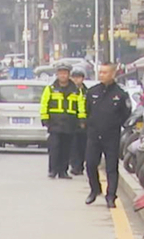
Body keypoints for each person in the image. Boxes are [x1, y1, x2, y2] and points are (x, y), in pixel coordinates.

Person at [84, 62, 132, 208]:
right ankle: (95, 189)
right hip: (94, 134)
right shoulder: (92, 92)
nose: (102, 75)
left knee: (111, 167)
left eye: (105, 72)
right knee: (91, 164)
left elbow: (126, 113)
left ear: (113, 74)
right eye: (100, 72)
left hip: (111, 136)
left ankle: (111, 196)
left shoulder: (120, 94)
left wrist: (115, 124)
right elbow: (87, 111)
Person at [40, 62, 85, 180]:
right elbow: (44, 104)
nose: (63, 76)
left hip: (70, 124)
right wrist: (44, 118)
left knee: (66, 149)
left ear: (68, 75)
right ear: (57, 75)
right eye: (61, 73)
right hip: (55, 123)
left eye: (65, 73)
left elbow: (81, 106)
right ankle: (53, 170)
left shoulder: (76, 90)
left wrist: (82, 119)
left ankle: (63, 171)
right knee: (54, 147)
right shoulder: (50, 89)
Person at [69, 67, 89, 177]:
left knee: (83, 146)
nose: (77, 80)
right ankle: (75, 166)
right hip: (71, 122)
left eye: (79, 77)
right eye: (75, 77)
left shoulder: (87, 92)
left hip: (84, 123)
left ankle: (80, 166)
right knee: (73, 146)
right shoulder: (69, 91)